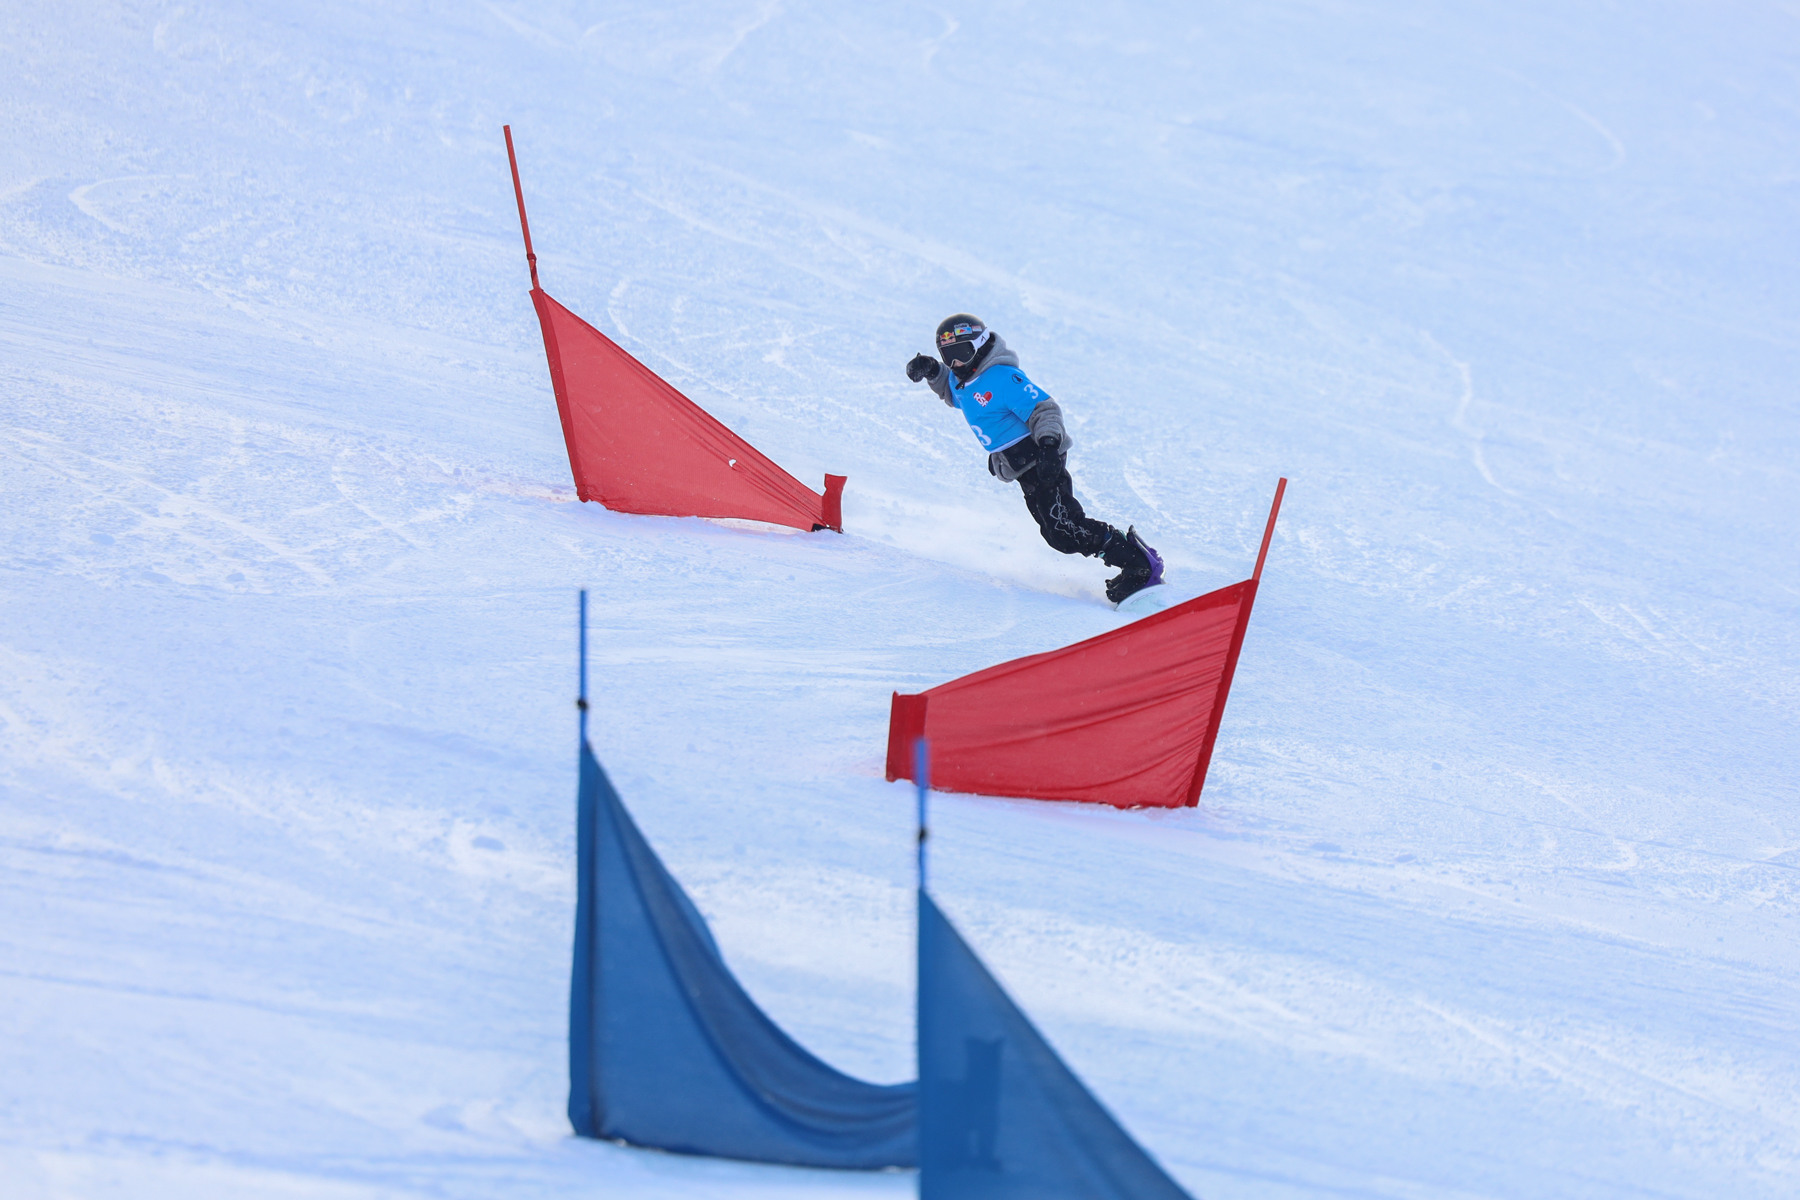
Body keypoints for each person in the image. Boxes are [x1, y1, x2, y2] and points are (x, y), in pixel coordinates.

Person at [906, 314, 1162, 605]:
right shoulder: (962, 378)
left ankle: (1140, 565)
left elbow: (1045, 410)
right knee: (1055, 533)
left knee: (1064, 528)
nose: (955, 364)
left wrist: (1050, 447)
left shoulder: (1002, 378)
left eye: (960, 353)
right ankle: (1130, 557)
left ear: (978, 346)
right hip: (1022, 468)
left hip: (1040, 459)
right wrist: (931, 369)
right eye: (947, 356)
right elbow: (952, 391)